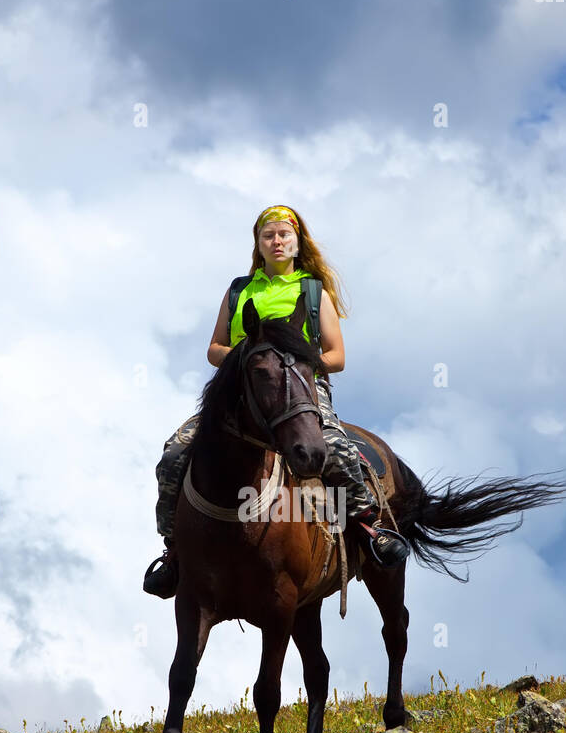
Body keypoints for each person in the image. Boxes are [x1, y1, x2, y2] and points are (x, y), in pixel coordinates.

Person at [143, 205, 410, 598]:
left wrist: (295, 363)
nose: (277, 242)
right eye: (268, 236)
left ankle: (370, 527)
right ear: (259, 244)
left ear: (298, 243)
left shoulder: (312, 291)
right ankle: (173, 550)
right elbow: (214, 348)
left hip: (301, 389)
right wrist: (246, 359)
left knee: (336, 449)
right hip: (240, 391)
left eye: (284, 235)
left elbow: (337, 357)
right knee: (175, 451)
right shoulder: (240, 290)